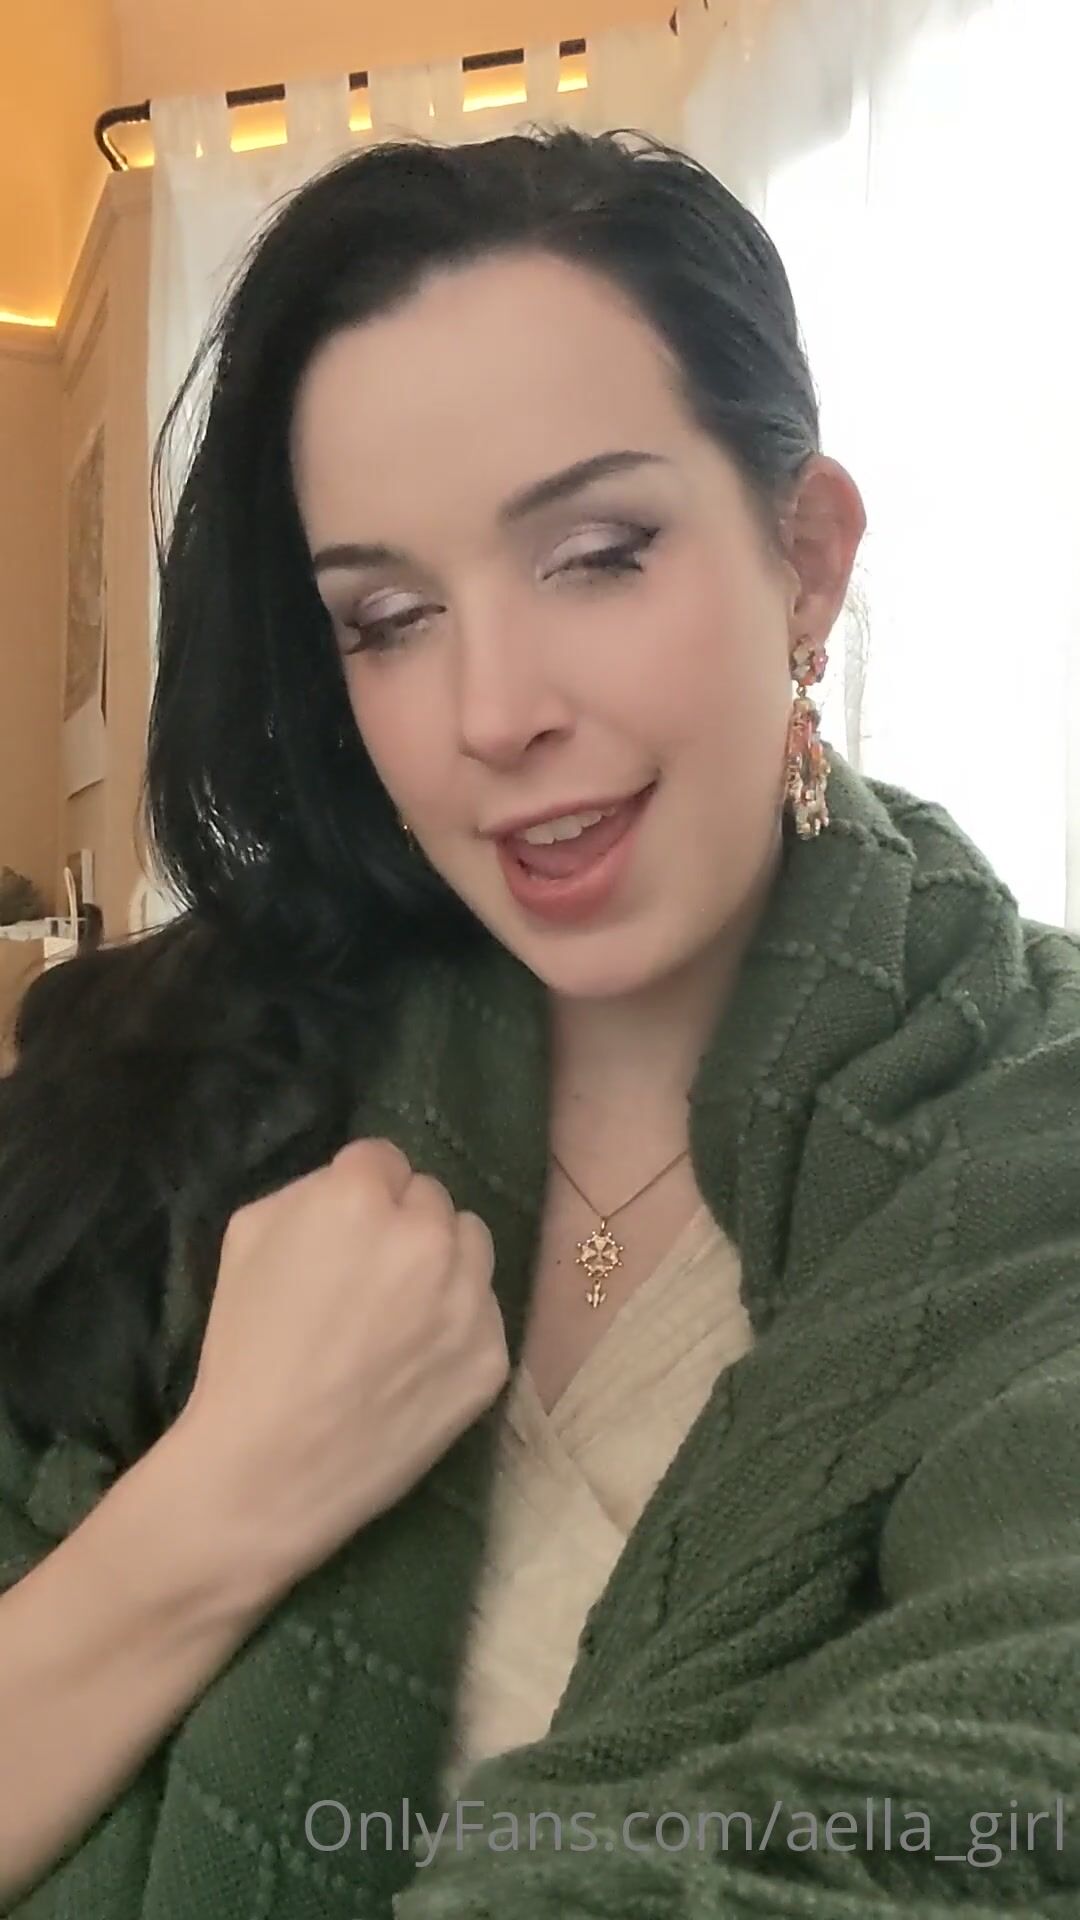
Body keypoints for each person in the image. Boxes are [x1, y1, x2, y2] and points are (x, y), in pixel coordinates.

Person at [0, 126, 1077, 1918]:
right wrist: (224, 1493)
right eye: (389, 618)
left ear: (806, 560)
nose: (491, 714)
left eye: (595, 553)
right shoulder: (163, 1072)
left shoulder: (1030, 1127)